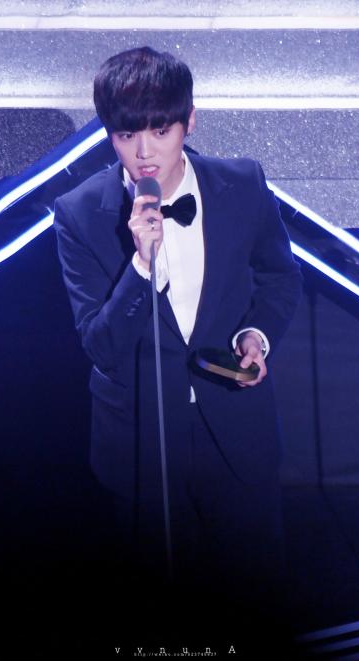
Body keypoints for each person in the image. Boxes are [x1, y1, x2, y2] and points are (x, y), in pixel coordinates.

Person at [54, 46, 302, 635]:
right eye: (126, 135)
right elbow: (101, 346)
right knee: (157, 610)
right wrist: (141, 265)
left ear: (189, 121)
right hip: (140, 439)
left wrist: (256, 336)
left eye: (160, 131)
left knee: (254, 597)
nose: (144, 152)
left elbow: (279, 275)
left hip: (236, 430)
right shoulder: (79, 213)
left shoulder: (242, 183)